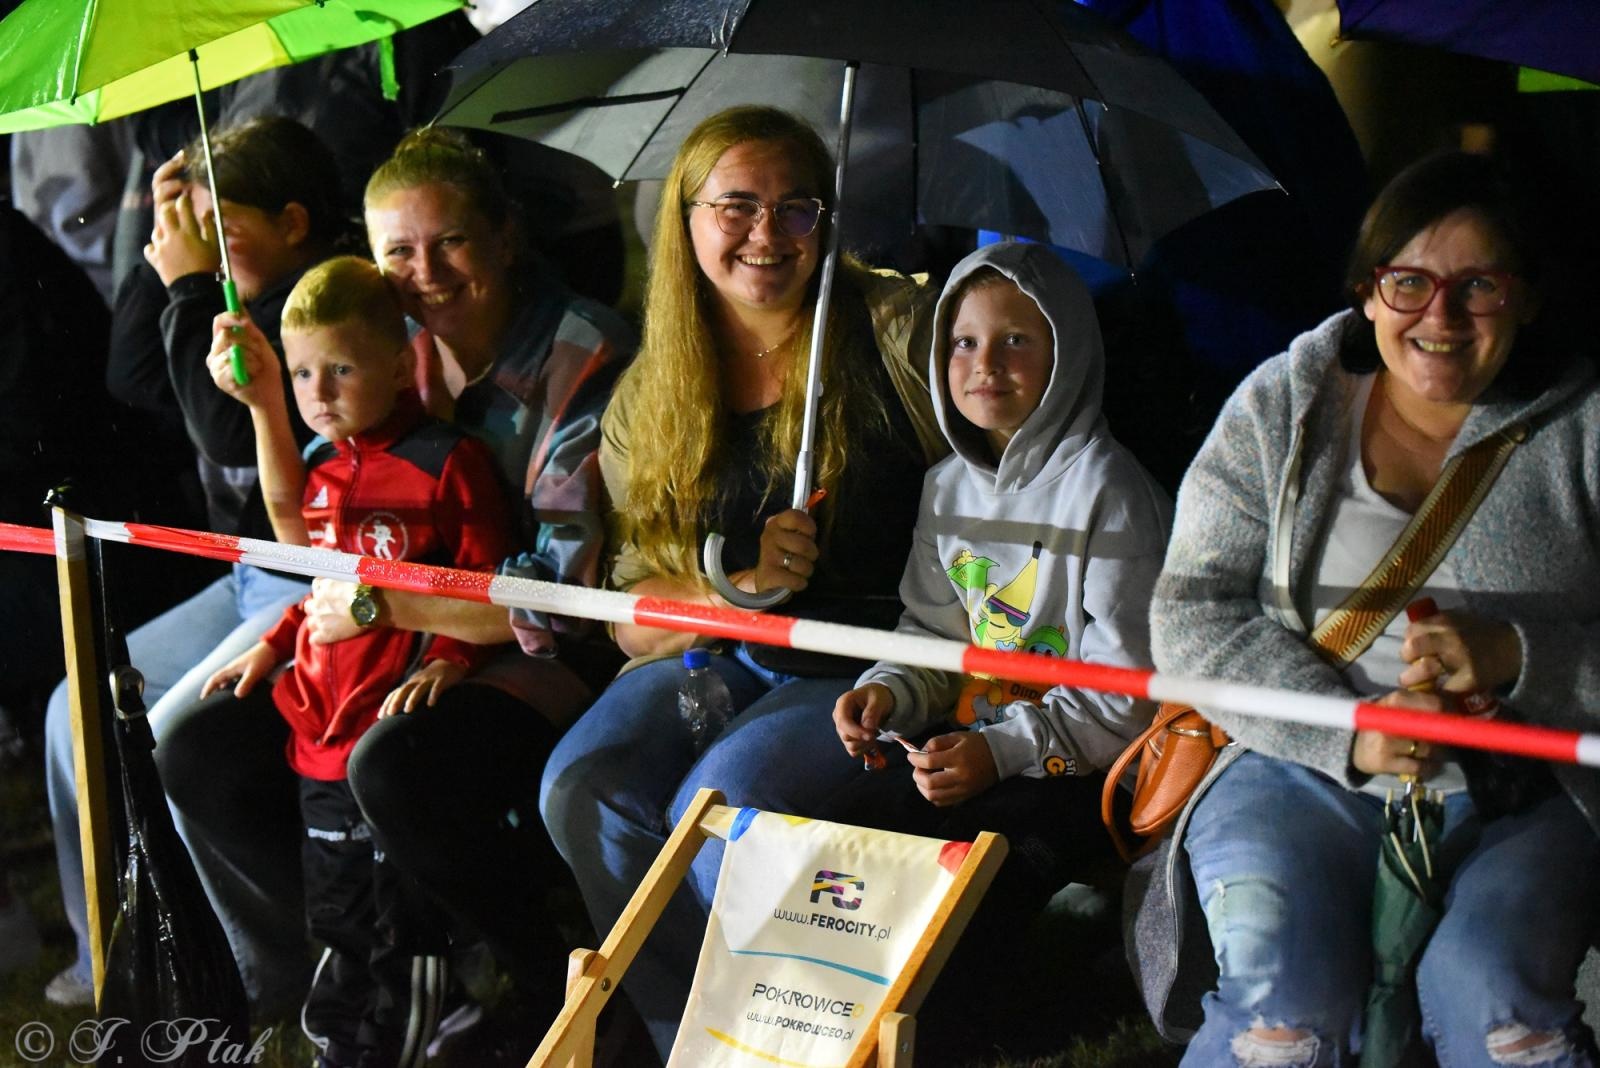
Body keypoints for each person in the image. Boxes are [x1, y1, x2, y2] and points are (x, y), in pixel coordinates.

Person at [1132, 150, 1600, 1065]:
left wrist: (1516, 655)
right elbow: (1190, 616)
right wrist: (1346, 727)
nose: (1441, 315)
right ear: (1366, 292)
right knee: (1281, 1016)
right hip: (1294, 773)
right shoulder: (1282, 404)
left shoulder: (1586, 428)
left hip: (1527, 795)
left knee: (1501, 1011)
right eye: (1410, 282)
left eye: (1480, 285)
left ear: (1530, 298)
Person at [154, 127, 637, 1007]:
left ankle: (537, 982)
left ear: (505, 237)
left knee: (397, 766)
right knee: (201, 749)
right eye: (398, 251)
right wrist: (267, 399)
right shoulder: (388, 346)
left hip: (551, 650)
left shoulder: (585, 354)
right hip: (388, 630)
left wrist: (389, 611)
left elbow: (556, 603)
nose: (427, 272)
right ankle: (391, 961)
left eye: (450, 240)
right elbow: (321, 525)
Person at [539, 105, 948, 1059]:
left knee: (720, 809)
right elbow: (634, 617)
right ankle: (692, 1036)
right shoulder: (651, 393)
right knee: (580, 787)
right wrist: (736, 593)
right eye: (738, 207)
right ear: (683, 221)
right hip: (727, 659)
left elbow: (996, 470)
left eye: (797, 208)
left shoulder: (897, 329)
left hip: (875, 662)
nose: (768, 235)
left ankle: (784, 1041)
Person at [40, 115, 344, 1011]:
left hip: (315, 581)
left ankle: (262, 978)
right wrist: (158, 252)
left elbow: (232, 439)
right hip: (250, 574)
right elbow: (133, 375)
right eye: (196, 218)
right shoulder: (228, 297)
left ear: (293, 222)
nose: (201, 240)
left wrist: (185, 284)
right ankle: (119, 951)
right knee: (72, 709)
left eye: (219, 221)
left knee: (166, 734)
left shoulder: (324, 304)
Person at [200, 255, 513, 1067]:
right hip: (318, 724)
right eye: (303, 372)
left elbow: (489, 587)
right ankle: (342, 1026)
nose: (320, 391)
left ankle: (410, 1034)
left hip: (387, 725)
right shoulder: (321, 467)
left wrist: (448, 658)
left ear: (400, 357)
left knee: (394, 914)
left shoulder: (448, 461)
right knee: (335, 902)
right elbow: (311, 574)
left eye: (340, 367)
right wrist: (270, 650)